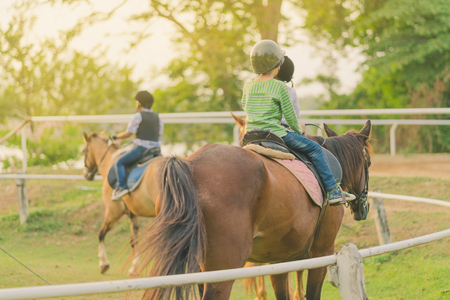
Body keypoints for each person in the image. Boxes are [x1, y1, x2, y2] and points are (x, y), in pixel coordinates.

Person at [241, 39, 354, 203]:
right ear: (277, 64)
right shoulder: (279, 87)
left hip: (250, 135)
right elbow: (291, 117)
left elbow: (247, 108)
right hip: (275, 135)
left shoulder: (248, 86)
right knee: (315, 149)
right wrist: (299, 128)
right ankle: (333, 191)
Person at [111, 90, 163, 200]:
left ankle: (122, 187)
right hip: (156, 150)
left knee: (119, 162)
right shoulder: (158, 116)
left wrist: (116, 137)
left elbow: (129, 133)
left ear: (139, 103)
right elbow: (159, 133)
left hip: (141, 149)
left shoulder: (138, 116)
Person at [274, 55, 301, 127]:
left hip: (266, 129)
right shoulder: (291, 92)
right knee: (308, 139)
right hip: (285, 130)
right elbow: (296, 114)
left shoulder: (266, 89)